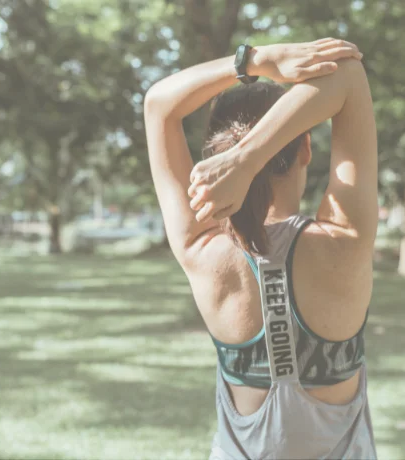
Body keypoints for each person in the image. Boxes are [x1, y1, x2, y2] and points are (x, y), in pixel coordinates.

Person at [144, 38, 378, 459]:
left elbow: (158, 103)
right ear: (305, 147)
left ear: (213, 157)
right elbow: (350, 75)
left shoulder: (201, 248)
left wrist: (255, 60)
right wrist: (247, 160)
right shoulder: (346, 239)